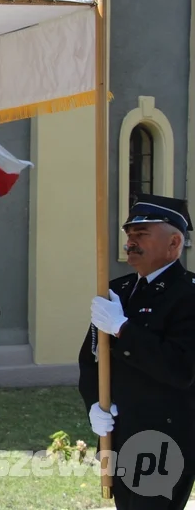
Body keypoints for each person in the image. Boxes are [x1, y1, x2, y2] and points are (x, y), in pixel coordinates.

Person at [78, 193, 195, 510]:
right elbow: (90, 361)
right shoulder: (117, 290)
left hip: (164, 439)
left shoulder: (187, 295)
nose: (131, 242)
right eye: (129, 234)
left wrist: (123, 330)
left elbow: (182, 368)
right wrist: (94, 405)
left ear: (173, 244)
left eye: (142, 235)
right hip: (120, 436)